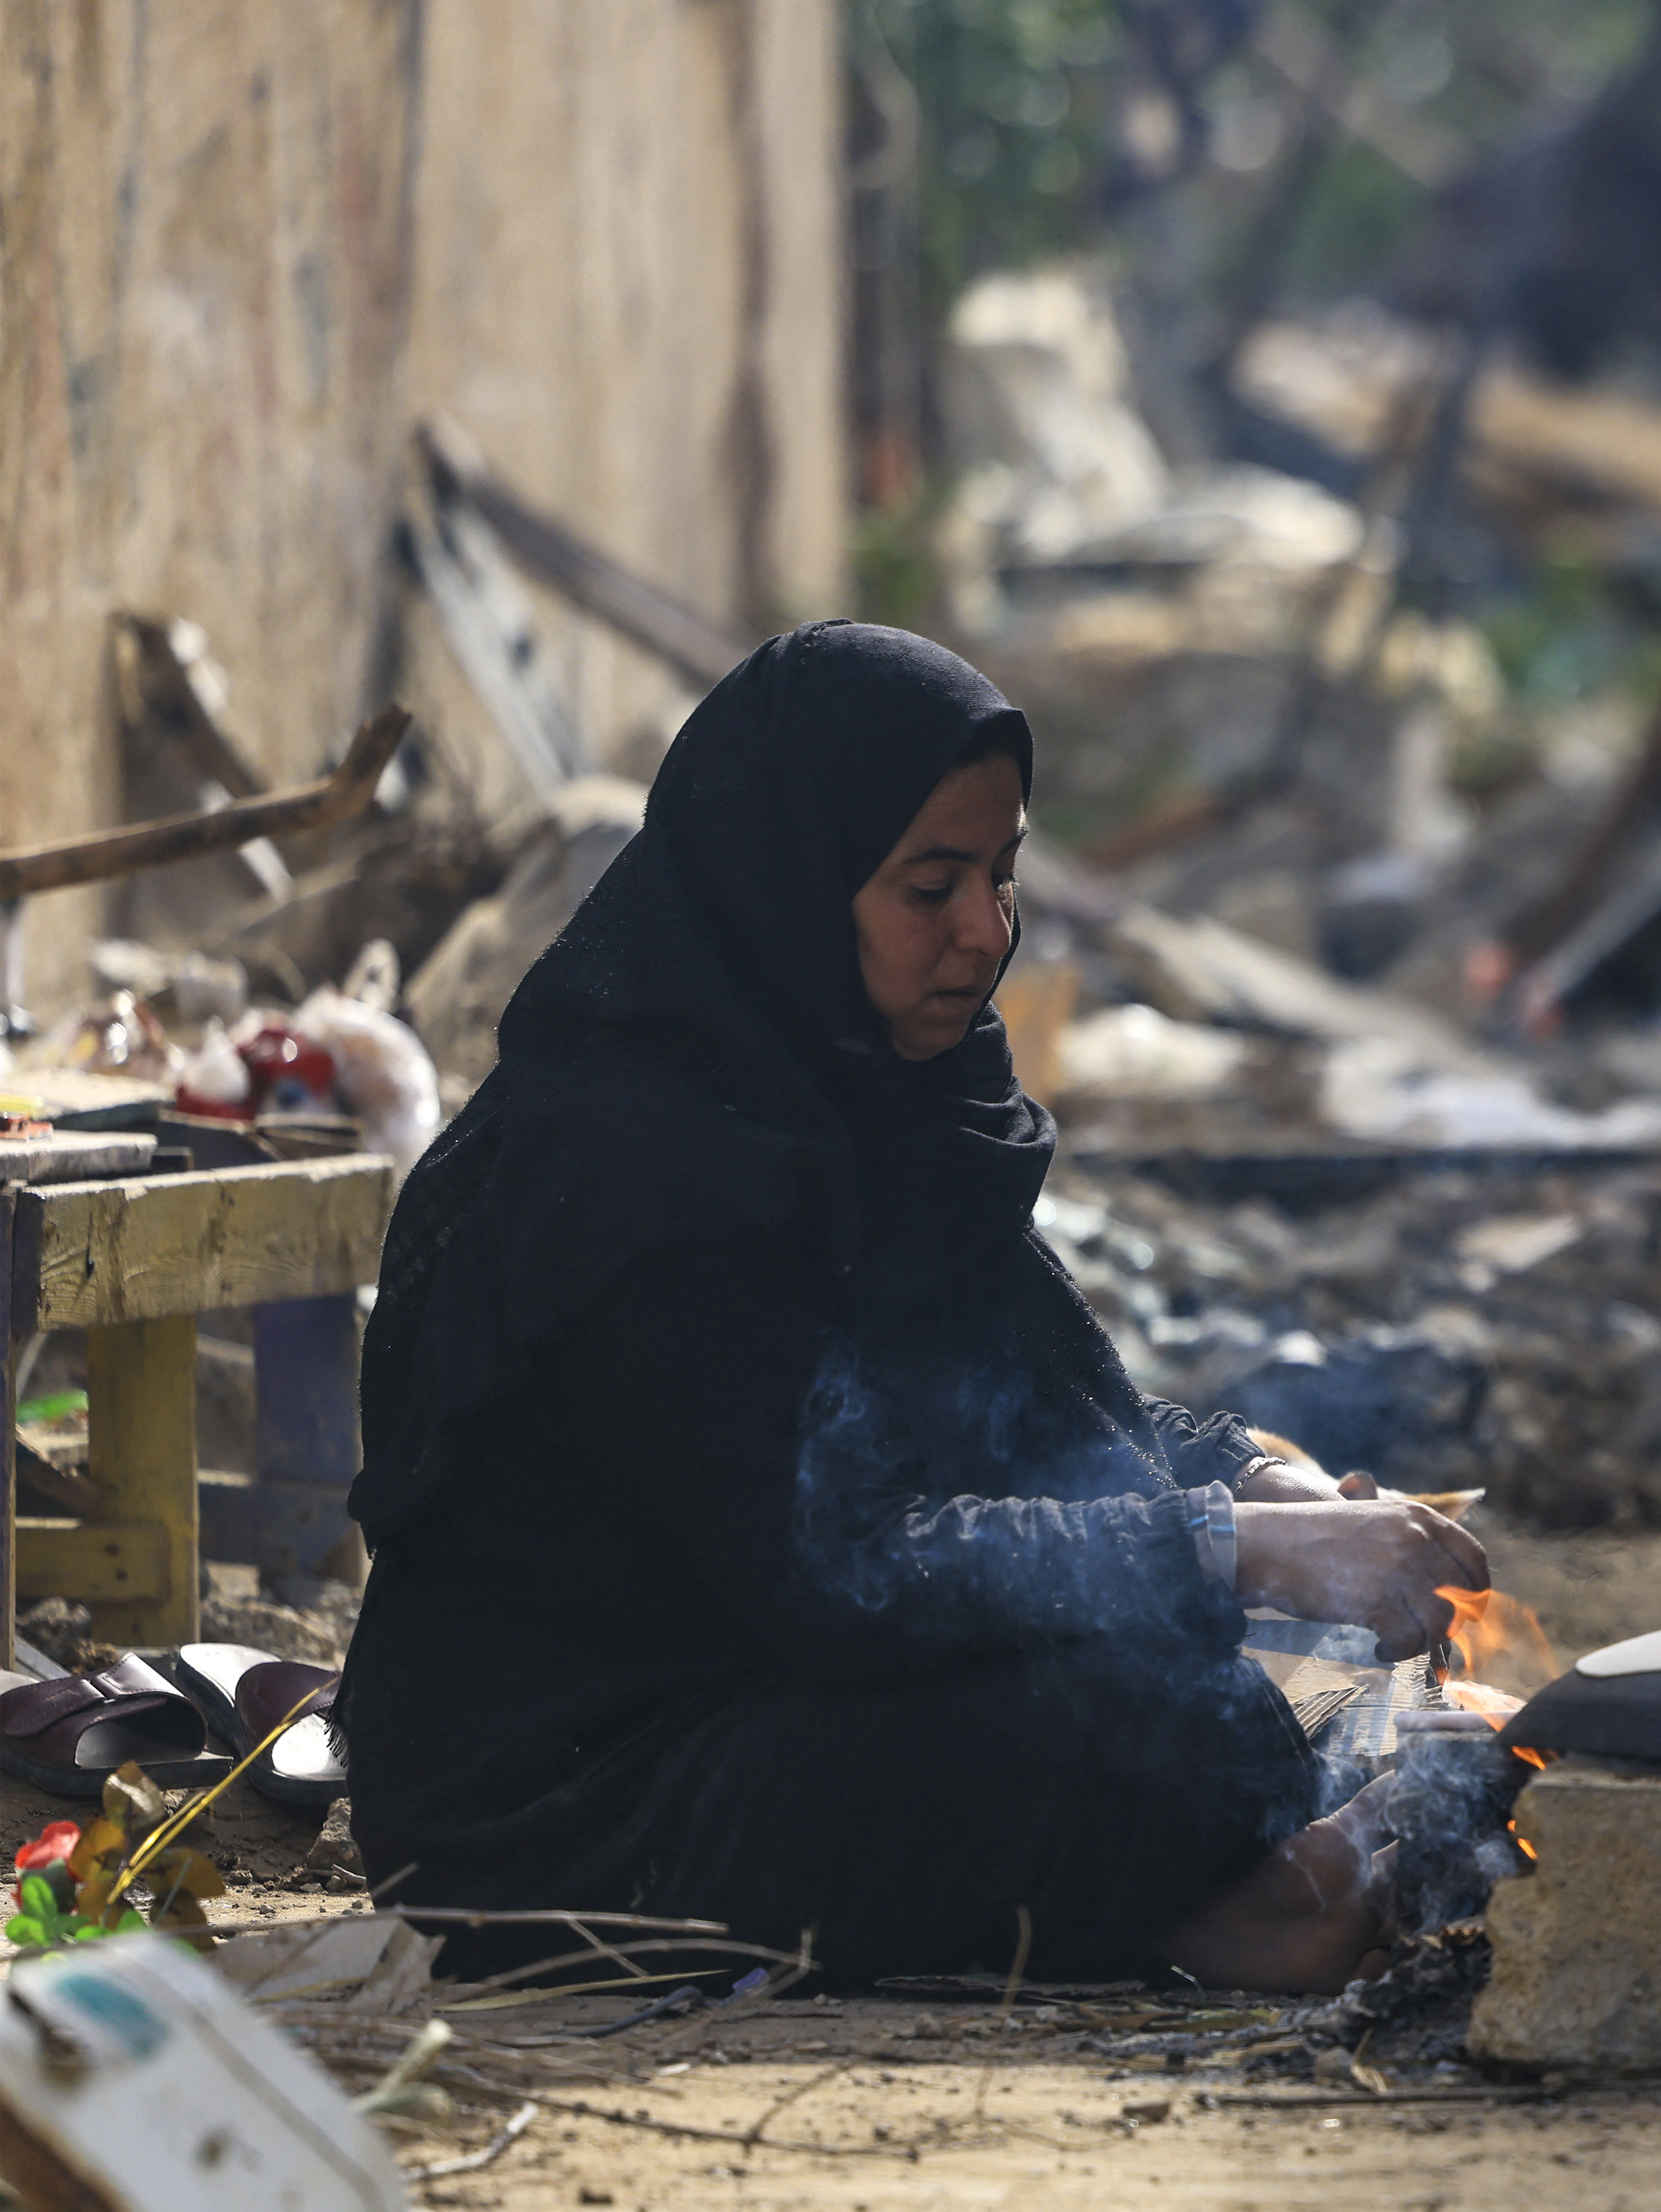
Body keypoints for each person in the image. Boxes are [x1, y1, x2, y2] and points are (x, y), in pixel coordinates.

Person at [343, 622, 1490, 1992]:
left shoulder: (873, 1092)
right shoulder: (635, 1182)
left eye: (1000, 880)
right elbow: (841, 1570)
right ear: (791, 883)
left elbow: (1017, 1419)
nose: (983, 936)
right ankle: (1234, 1910)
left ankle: (1193, 1895)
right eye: (929, 887)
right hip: (572, 1812)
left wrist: (1253, 1474)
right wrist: (1239, 1549)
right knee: (1125, 1721)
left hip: (769, 1686)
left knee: (1204, 1704)